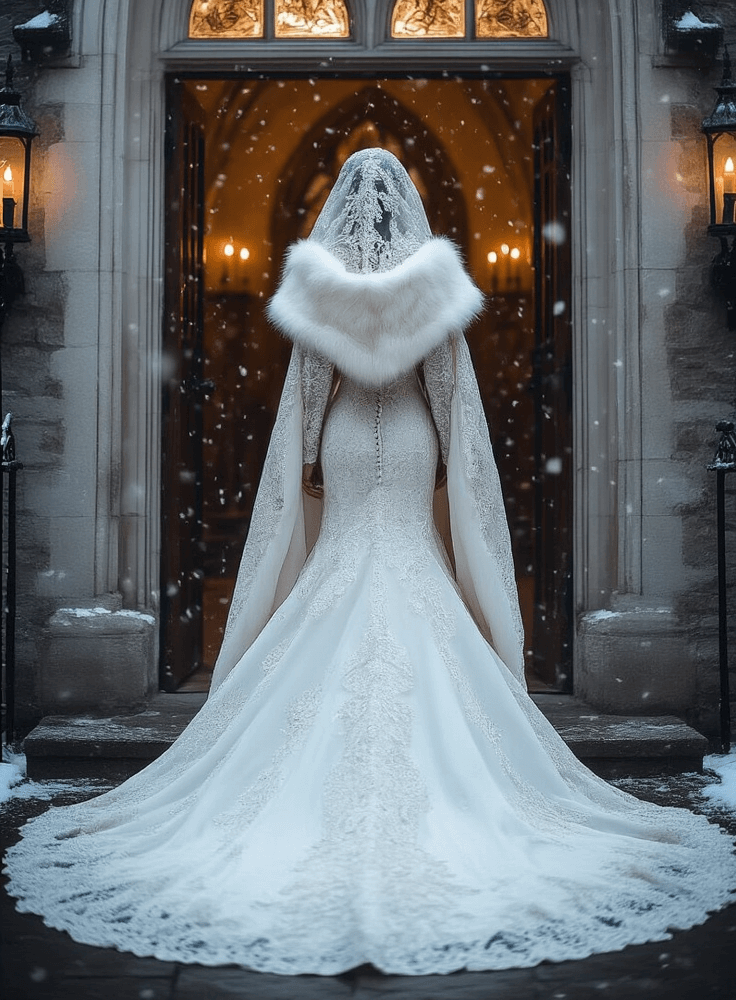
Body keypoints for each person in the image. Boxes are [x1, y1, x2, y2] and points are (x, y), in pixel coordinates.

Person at [5, 148, 736, 975]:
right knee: (409, 551)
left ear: (347, 210)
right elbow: (453, 386)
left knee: (344, 558)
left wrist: (309, 456)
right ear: (403, 209)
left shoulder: (320, 285)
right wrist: (461, 474)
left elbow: (309, 387)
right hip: (416, 434)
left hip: (349, 434)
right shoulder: (431, 282)